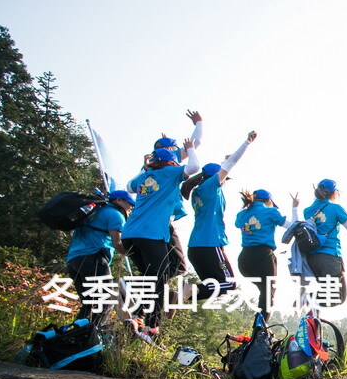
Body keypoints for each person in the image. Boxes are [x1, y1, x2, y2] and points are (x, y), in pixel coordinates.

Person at [120, 139, 201, 334]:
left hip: (130, 235)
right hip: (151, 234)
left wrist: (147, 167)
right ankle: (151, 327)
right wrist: (190, 147)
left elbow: (128, 187)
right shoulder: (170, 173)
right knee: (159, 279)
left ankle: (138, 317)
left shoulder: (144, 176)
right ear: (172, 162)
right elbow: (195, 166)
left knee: (151, 278)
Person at [180, 130, 257, 303]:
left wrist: (225, 159)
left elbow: (226, 163)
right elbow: (231, 163)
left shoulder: (198, 191)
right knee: (229, 284)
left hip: (195, 248)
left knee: (215, 288)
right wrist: (247, 142)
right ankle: (191, 290)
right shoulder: (211, 187)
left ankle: (177, 297)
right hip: (210, 243)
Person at [66, 190, 134, 326]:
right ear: (119, 200)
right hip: (93, 258)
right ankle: (92, 338)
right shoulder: (115, 214)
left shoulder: (93, 211)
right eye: (129, 204)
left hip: (73, 260)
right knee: (105, 301)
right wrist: (132, 254)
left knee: (89, 305)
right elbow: (117, 242)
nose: (131, 207)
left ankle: (75, 338)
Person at [235, 189, 299, 321]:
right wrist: (295, 208)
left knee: (264, 292)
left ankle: (258, 325)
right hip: (263, 257)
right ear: (269, 201)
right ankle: (260, 329)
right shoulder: (271, 212)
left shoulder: (241, 214)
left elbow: (238, 224)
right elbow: (292, 226)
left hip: (244, 260)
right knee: (268, 294)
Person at [303, 178, 347, 308]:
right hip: (330, 257)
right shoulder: (336, 208)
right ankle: (308, 298)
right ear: (334, 193)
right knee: (338, 296)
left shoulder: (307, 211)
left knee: (323, 293)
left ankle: (311, 306)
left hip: (312, 258)